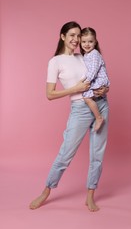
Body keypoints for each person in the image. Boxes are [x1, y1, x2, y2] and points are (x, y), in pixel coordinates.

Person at [29, 21, 109, 212]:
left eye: (78, 36)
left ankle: (90, 195)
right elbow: (50, 94)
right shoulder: (55, 61)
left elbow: (99, 75)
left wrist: (104, 89)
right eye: (71, 35)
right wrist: (75, 89)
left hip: (101, 105)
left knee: (97, 155)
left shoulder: (86, 56)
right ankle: (46, 191)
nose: (76, 39)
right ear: (62, 36)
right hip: (80, 110)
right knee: (65, 154)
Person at [80, 27, 110, 132]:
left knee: (87, 97)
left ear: (95, 42)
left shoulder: (94, 54)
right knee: (88, 97)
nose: (87, 44)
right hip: (95, 81)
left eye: (90, 41)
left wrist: (84, 82)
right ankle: (97, 116)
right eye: (84, 41)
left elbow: (92, 72)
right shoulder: (86, 55)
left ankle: (98, 117)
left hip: (99, 80)